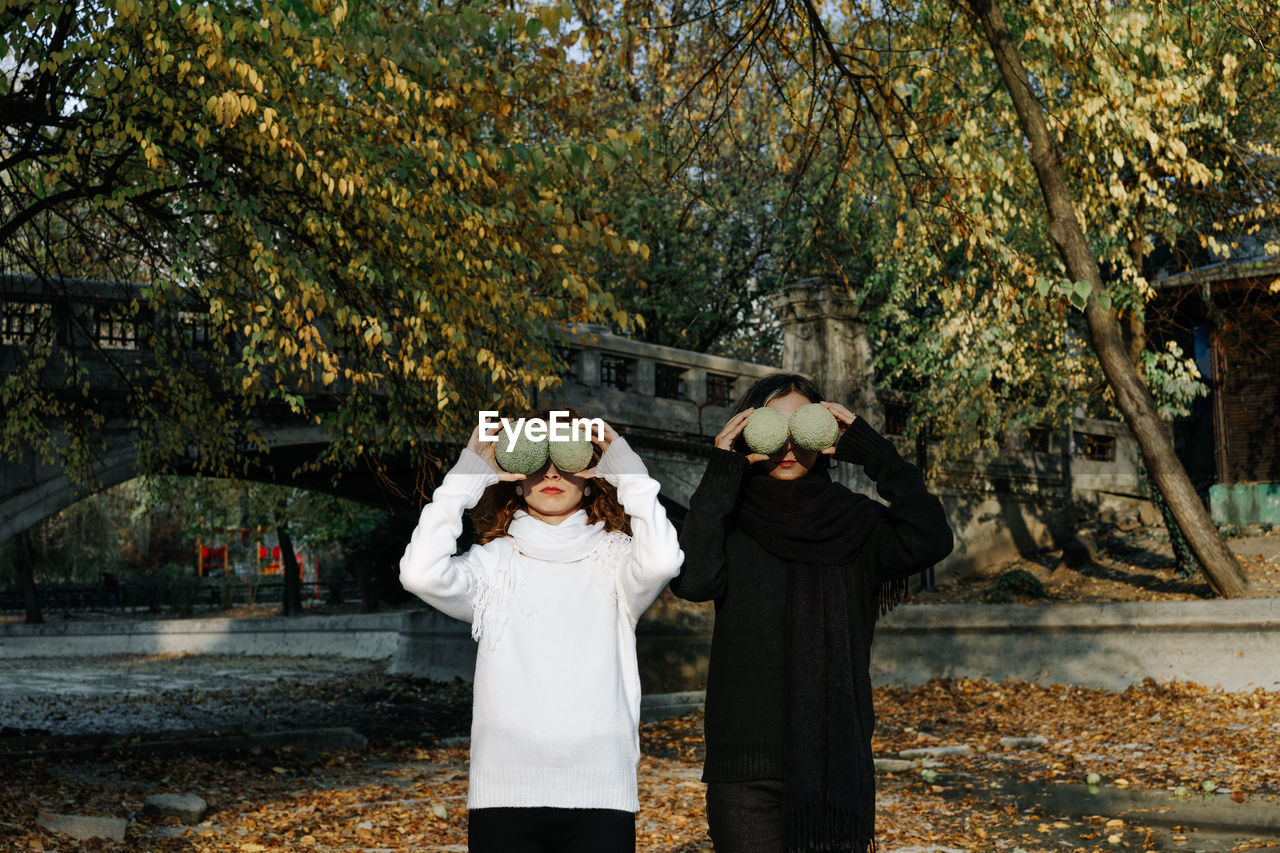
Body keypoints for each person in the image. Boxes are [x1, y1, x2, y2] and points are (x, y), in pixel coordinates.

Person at [671, 373, 953, 853]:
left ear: (821, 434)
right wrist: (721, 469)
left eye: (800, 426)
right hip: (744, 772)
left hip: (831, 770)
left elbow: (930, 537)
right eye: (770, 426)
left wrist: (875, 452)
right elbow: (693, 581)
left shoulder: (856, 523)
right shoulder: (727, 520)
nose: (785, 444)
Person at [399, 410, 683, 853]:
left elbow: (665, 559)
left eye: (567, 459)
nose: (551, 472)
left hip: (599, 787)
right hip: (505, 789)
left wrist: (625, 465)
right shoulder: (490, 563)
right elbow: (419, 574)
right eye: (538, 459)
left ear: (590, 476)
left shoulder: (618, 561)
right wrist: (466, 475)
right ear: (515, 477)